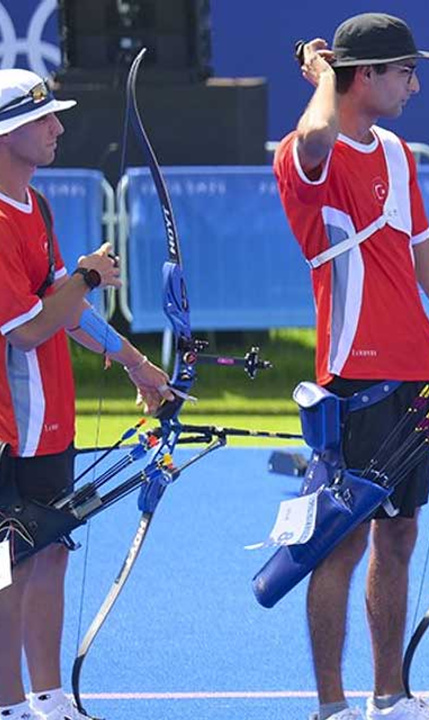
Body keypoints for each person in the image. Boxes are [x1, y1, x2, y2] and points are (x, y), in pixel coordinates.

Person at [274, 13, 429, 720]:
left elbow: (428, 262)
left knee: (399, 533)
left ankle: (389, 695)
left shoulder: (395, 152)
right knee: (341, 541)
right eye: (403, 72)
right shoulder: (308, 154)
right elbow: (317, 136)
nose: (415, 86)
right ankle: (333, 708)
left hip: (412, 377)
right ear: (362, 76)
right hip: (352, 377)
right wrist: (324, 75)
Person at [0, 69, 172, 720]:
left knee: (48, 557)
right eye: (45, 119)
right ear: (8, 131)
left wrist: (135, 364)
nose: (59, 129)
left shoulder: (36, 210)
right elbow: (29, 328)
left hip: (50, 424)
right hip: (6, 427)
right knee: (4, 568)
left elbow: (66, 311)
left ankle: (47, 699)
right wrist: (85, 273)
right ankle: (9, 704)